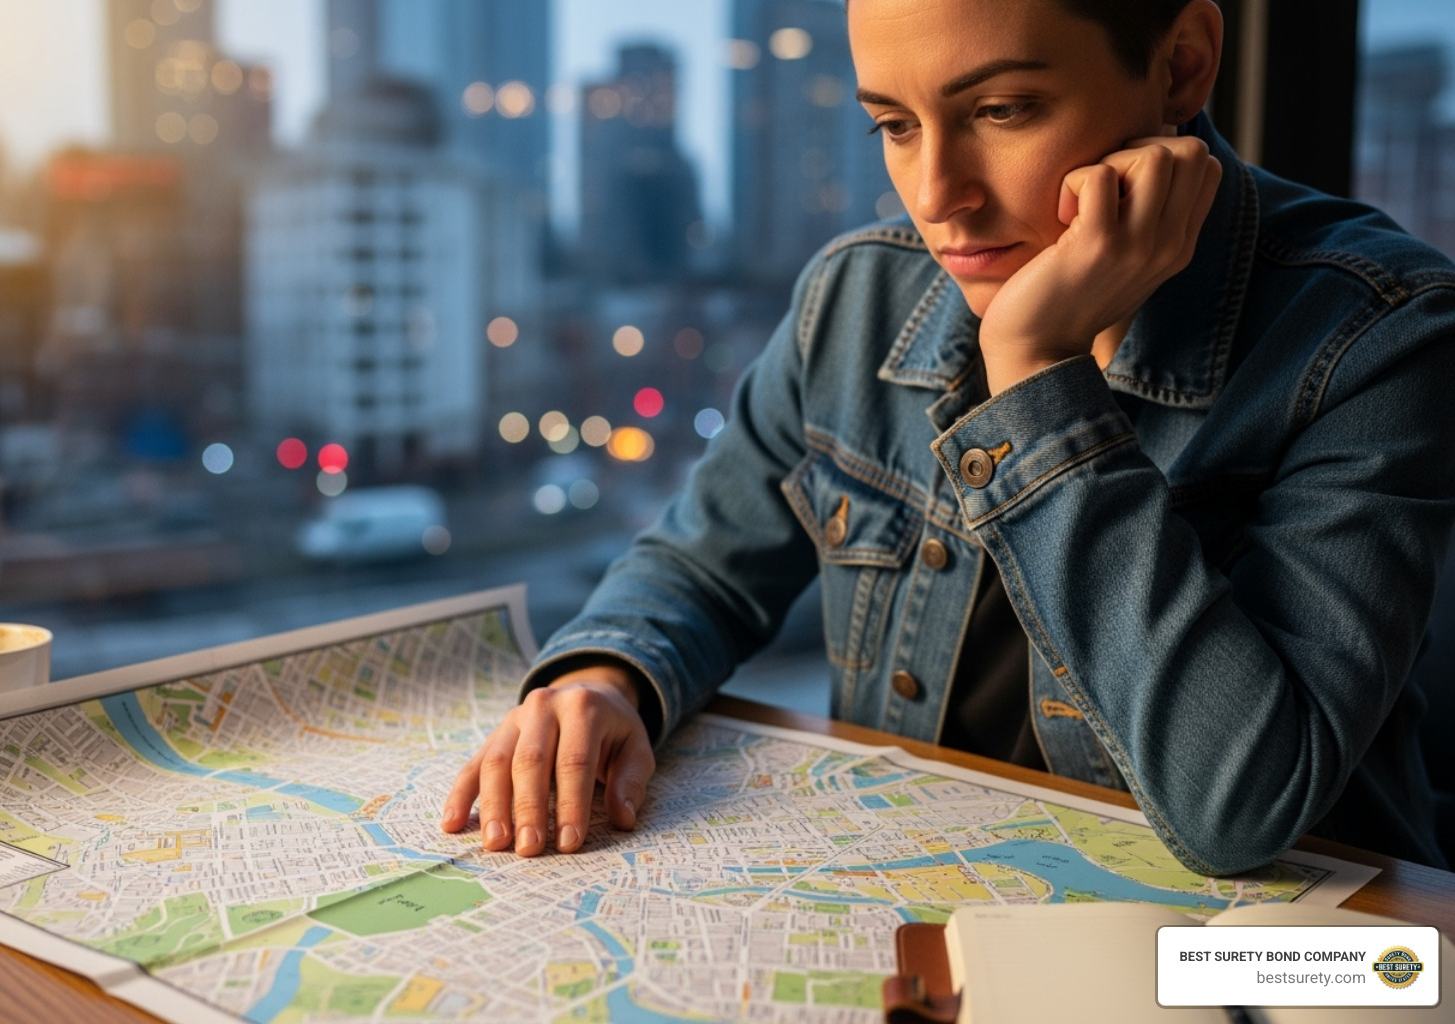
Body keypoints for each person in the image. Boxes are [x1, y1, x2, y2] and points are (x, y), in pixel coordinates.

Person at [443, 0, 1455, 874]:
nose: (937, 198)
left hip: (1302, 953)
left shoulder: (1382, 334)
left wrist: (1035, 372)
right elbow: (702, 566)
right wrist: (603, 678)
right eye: (893, 123)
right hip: (930, 896)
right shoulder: (856, 296)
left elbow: (1241, 810)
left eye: (1002, 110)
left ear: (1181, 64)